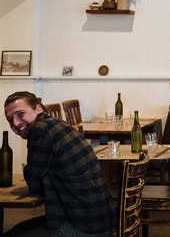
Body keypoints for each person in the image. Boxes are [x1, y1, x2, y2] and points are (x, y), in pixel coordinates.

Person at [4, 91, 115, 237]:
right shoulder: (56, 124)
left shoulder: (39, 129)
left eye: (20, 114)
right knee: (19, 229)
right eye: (10, 119)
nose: (15, 124)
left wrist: (29, 170)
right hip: (100, 220)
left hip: (83, 226)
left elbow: (34, 185)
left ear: (38, 109)